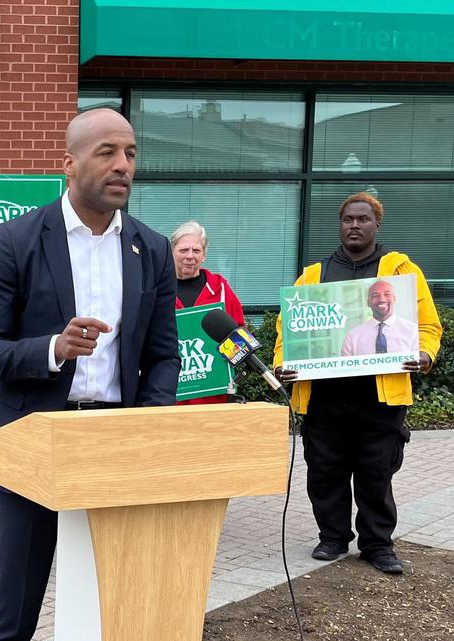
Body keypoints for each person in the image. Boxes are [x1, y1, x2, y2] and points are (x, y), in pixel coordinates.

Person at [0, 108, 180, 641]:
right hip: (35, 438)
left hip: (115, 440)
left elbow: (163, 355)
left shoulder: (151, 248)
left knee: (116, 599)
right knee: (15, 606)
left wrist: (147, 425)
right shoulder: (16, 240)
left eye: (130, 153)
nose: (123, 165)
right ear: (69, 163)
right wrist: (53, 349)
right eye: (107, 152)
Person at [273, 191, 442, 575]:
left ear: (376, 224)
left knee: (376, 473)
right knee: (325, 471)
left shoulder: (401, 273)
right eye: (348, 219)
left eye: (363, 219)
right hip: (324, 398)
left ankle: (377, 545)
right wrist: (283, 362)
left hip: (379, 398)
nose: (354, 225)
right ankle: (332, 537)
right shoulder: (313, 275)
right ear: (340, 224)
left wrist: (426, 355)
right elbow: (289, 330)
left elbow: (428, 325)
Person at [171, 219, 246, 405]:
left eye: (196, 250)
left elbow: (240, 333)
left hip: (213, 397)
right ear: (172, 252)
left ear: (204, 255)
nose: (190, 256)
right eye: (183, 250)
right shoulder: (158, 289)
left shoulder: (220, 288)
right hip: (170, 395)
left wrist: (224, 362)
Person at [341, 280, 419, 357]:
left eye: (387, 294)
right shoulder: (352, 337)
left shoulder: (414, 331)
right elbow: (345, 369)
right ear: (368, 302)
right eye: (375, 295)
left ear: (394, 299)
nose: (382, 299)